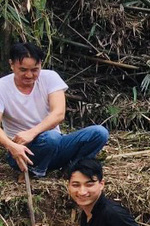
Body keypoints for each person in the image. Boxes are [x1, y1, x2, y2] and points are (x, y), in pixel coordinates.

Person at [1, 42, 109, 177]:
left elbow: (58, 114)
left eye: (35, 70)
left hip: (55, 144)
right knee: (51, 137)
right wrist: (12, 146)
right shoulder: (2, 87)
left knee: (99, 133)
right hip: (23, 153)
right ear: (11, 64)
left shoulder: (50, 77)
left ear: (41, 64)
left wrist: (32, 132)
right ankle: (35, 172)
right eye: (23, 70)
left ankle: (72, 169)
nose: (29, 75)